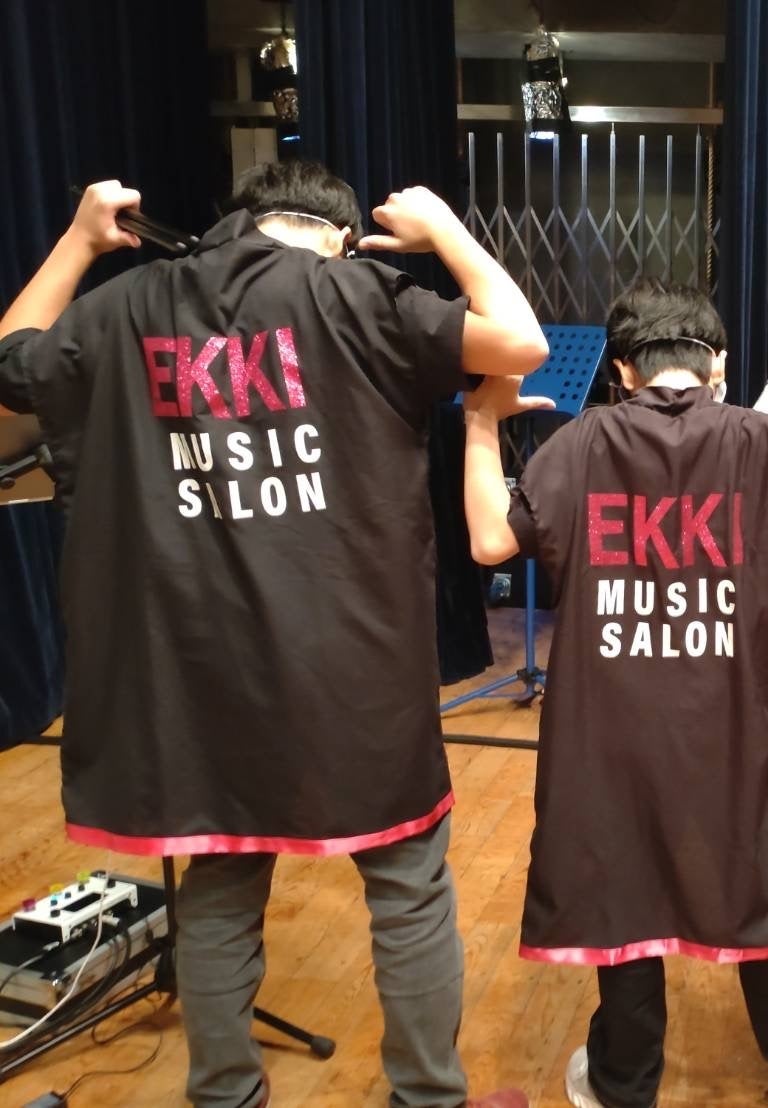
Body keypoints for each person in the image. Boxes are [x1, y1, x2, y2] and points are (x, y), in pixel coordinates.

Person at [0, 164, 548, 1108]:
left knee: (218, 884)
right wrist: (446, 231)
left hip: (196, 674)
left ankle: (225, 1094)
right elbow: (522, 342)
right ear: (338, 234)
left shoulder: (126, 305)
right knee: (408, 883)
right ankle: (427, 1097)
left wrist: (81, 239)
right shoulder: (359, 294)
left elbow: (12, 361)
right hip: (353, 668)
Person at [462, 277, 768, 1108]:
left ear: (621, 369)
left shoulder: (581, 442)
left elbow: (487, 541)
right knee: (760, 888)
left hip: (609, 733)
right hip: (733, 727)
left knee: (622, 891)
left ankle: (624, 1082)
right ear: (718, 364)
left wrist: (481, 418)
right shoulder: (763, 440)